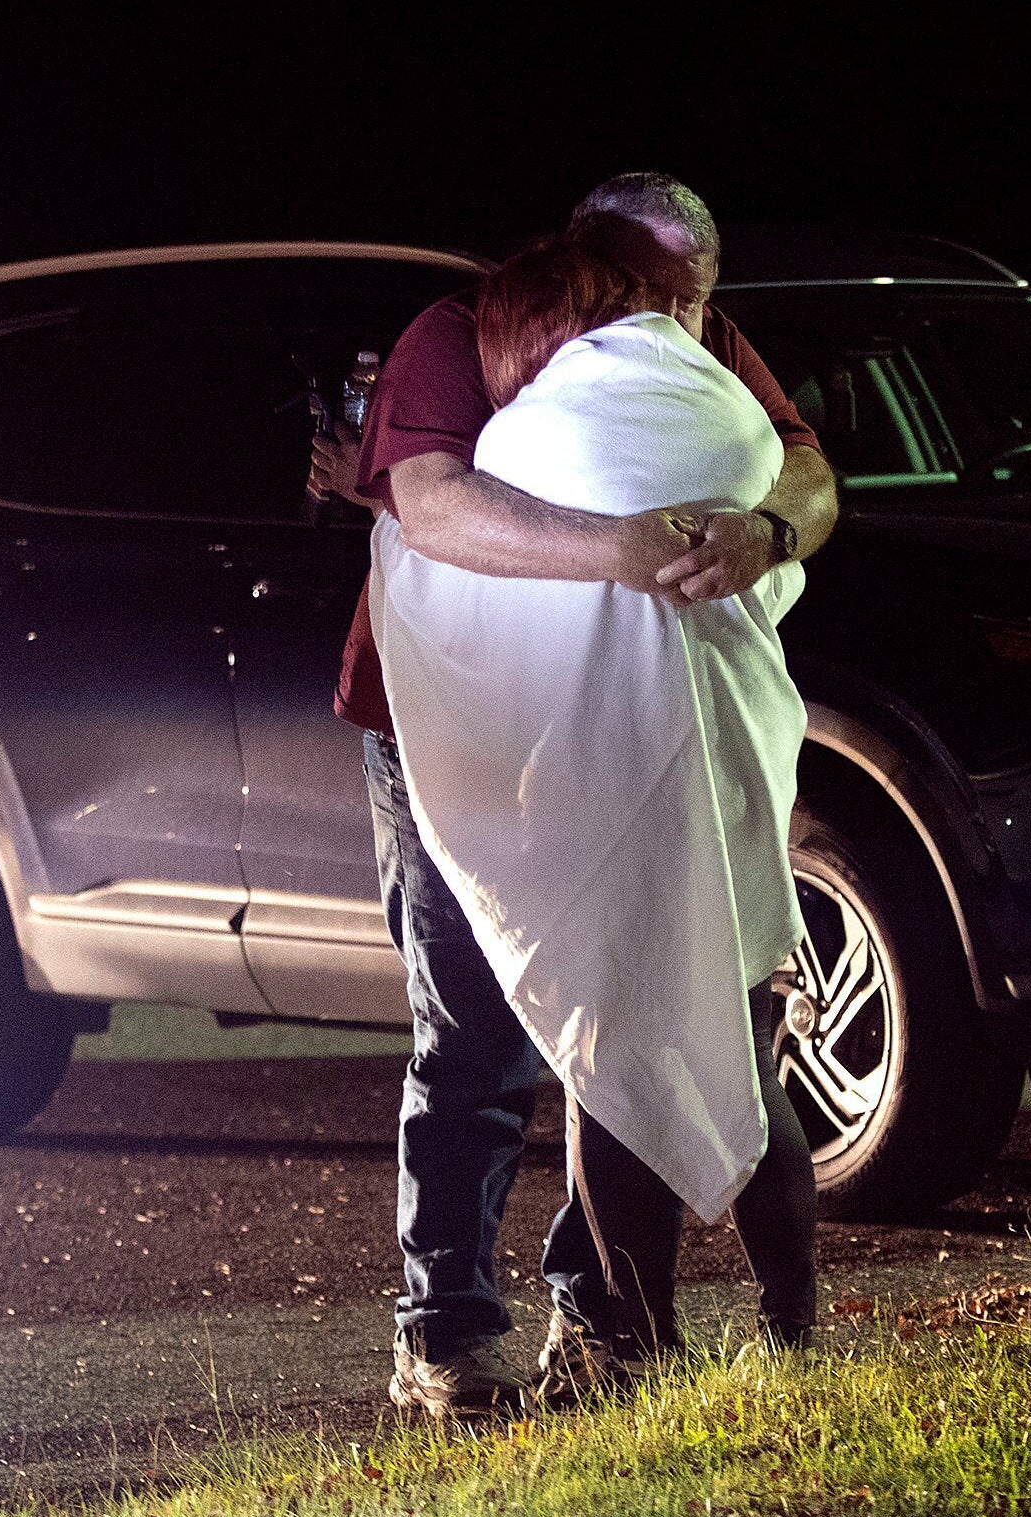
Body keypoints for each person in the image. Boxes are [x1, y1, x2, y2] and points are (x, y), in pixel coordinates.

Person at [317, 174, 840, 1418]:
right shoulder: (461, 337)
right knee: (477, 1035)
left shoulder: (695, 336)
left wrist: (767, 531)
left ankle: (601, 1320)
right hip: (463, 732)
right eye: (662, 296)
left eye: (701, 304)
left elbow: (809, 472)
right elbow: (432, 506)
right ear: (588, 261)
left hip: (624, 723)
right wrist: (622, 544)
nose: (684, 328)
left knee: (622, 1012)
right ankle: (441, 1335)